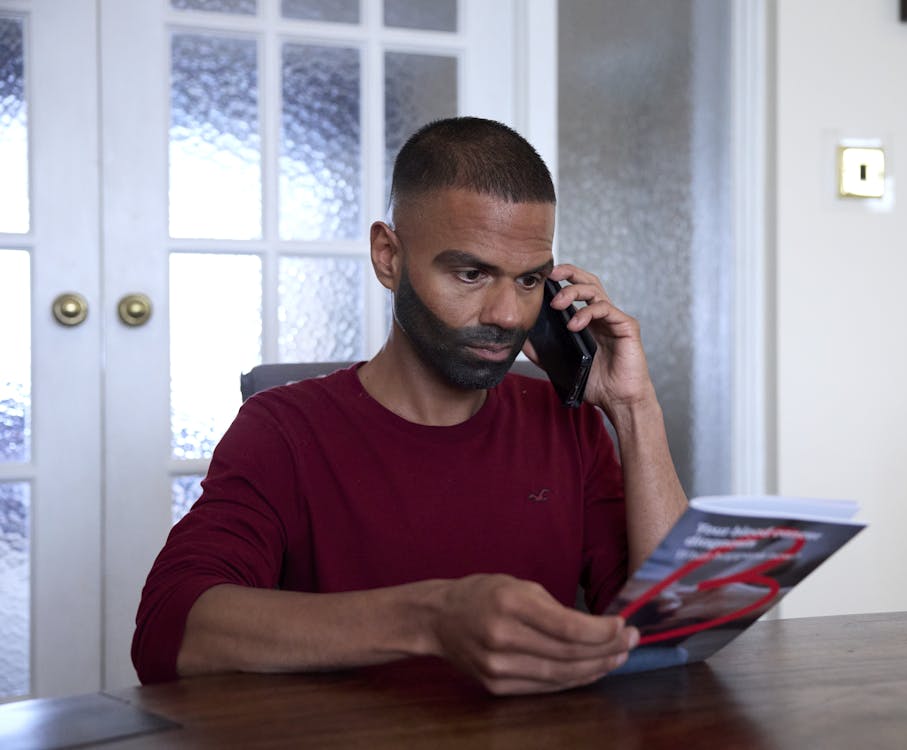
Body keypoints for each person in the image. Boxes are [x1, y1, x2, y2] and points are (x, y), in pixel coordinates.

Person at [132, 116, 688, 695]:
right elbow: (169, 633)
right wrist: (431, 618)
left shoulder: (563, 422)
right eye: (471, 273)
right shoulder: (284, 429)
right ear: (388, 256)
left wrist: (632, 408)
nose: (505, 314)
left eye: (528, 281)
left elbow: (668, 629)